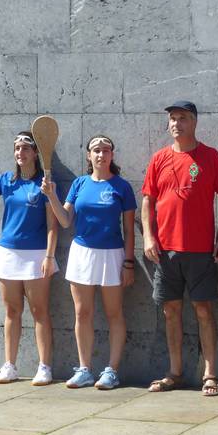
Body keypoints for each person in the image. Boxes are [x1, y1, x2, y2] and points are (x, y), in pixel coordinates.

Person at [142, 100, 218, 396]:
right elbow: (148, 200)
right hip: (165, 251)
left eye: (182, 118)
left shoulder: (210, 157)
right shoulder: (159, 158)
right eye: (172, 118)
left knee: (203, 309)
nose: (176, 124)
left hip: (200, 249)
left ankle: (210, 374)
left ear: (194, 122)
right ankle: (175, 372)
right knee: (170, 310)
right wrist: (148, 237)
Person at [41, 135, 136, 390]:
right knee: (82, 313)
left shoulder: (122, 187)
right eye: (96, 150)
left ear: (112, 155)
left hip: (112, 255)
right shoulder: (79, 184)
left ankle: (112, 371)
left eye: (106, 150)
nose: (101, 154)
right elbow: (64, 220)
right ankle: (84, 370)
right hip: (82, 254)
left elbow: (129, 230)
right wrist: (51, 195)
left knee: (114, 313)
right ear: (88, 155)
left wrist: (128, 263)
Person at [0, 131, 58, 385]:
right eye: (17, 148)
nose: (20, 153)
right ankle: (10, 366)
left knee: (40, 311)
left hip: (37, 255)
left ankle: (44, 367)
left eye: (26, 148)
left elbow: (53, 226)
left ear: (36, 153)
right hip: (8, 254)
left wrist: (49, 255)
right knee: (12, 310)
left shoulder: (45, 184)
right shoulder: (7, 180)